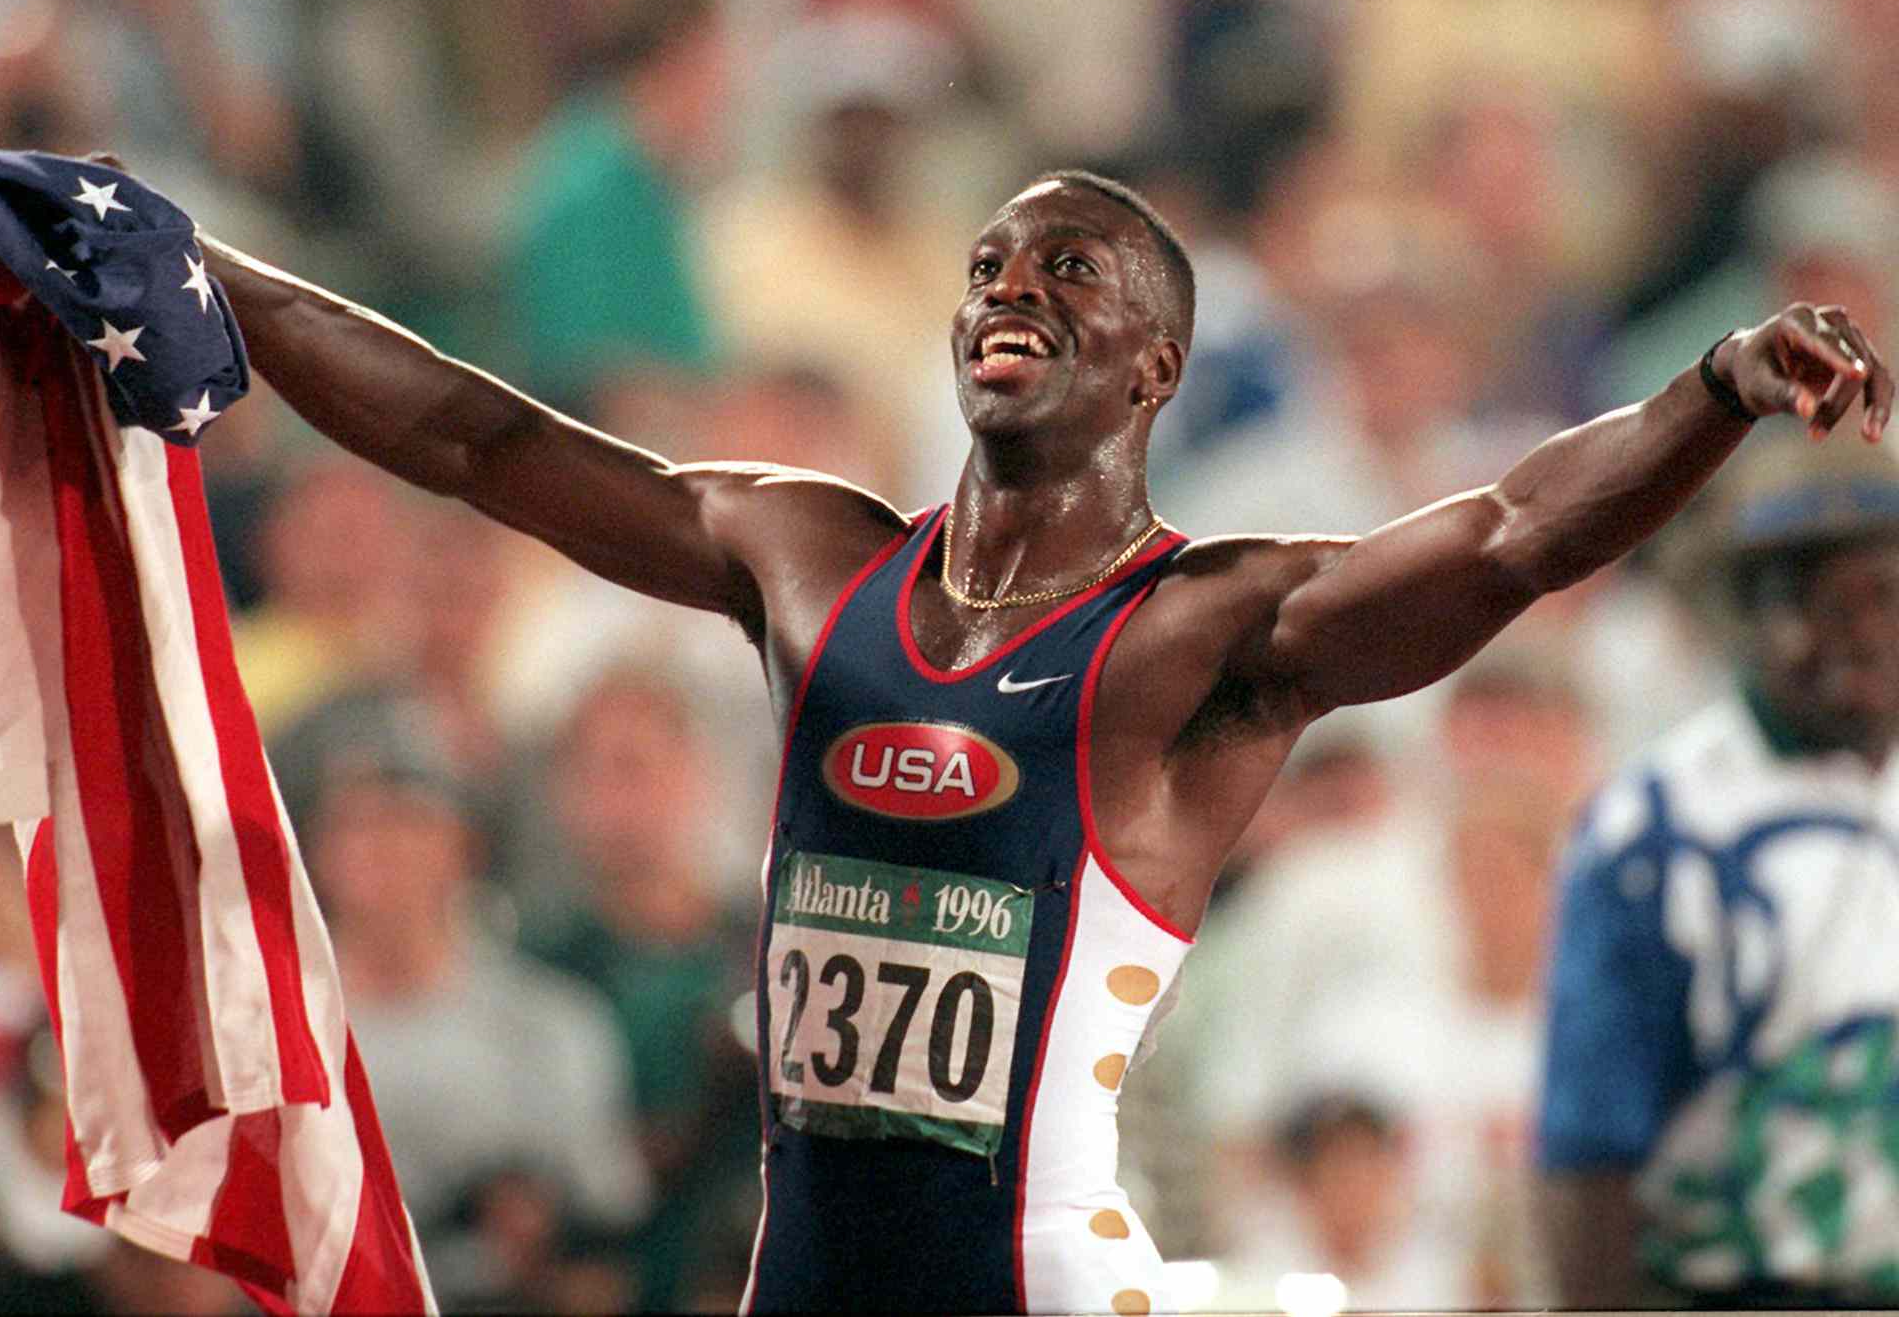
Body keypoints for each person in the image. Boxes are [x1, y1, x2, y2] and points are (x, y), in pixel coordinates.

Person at [190, 159, 1889, 1313]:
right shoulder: (809, 556)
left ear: (1154, 365)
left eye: (1066, 270)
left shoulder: (1206, 629)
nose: (1011, 286)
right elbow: (481, 442)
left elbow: (1513, 529)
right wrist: (209, 275)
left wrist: (1715, 387)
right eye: (989, 265)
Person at [1538, 429, 1899, 1309]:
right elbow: (1591, 1157)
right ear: (1738, 611)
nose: (1857, 636)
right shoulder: (1657, 831)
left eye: (1885, 595)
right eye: (1811, 600)